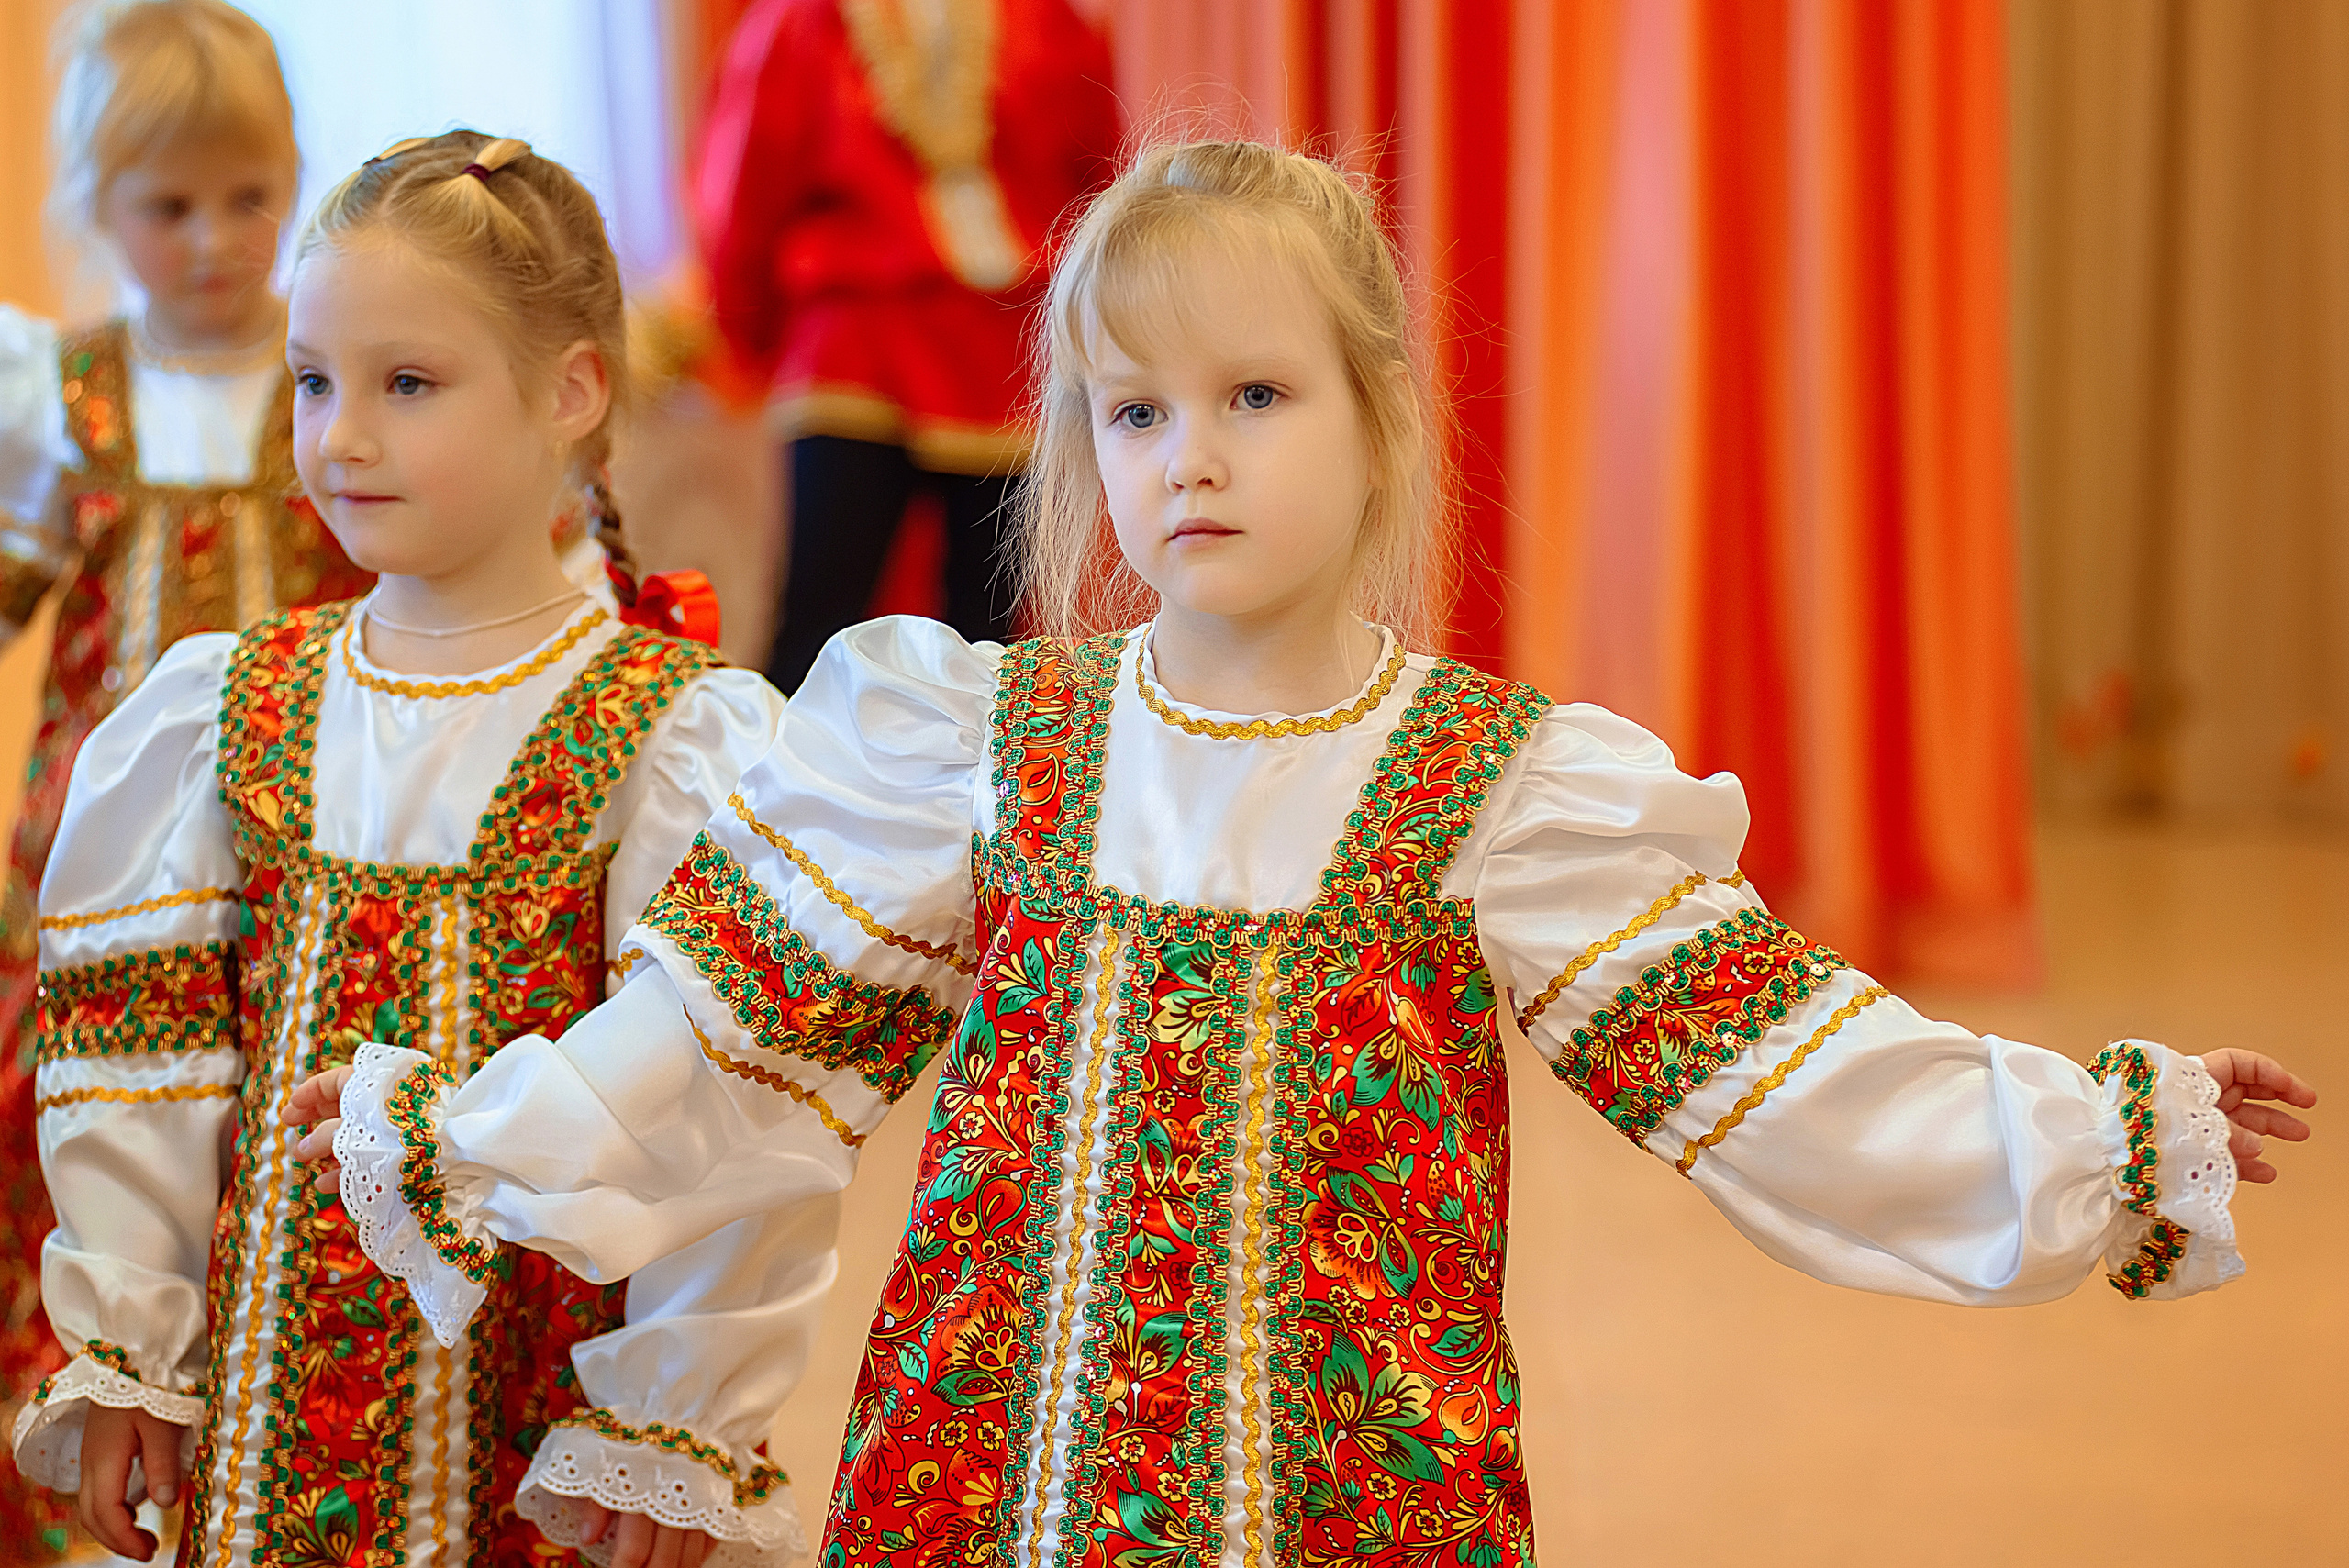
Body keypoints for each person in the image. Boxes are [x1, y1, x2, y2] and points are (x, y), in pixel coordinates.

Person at [295, 140, 2316, 1566]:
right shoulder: (977, 743)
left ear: (1374, 415)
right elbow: (722, 1018)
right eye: (1131, 406)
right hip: (1001, 1484)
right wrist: (471, 1129)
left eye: (1251, 394)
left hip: (1359, 1493)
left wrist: (2092, 1124)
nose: (1186, 454)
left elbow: (1774, 1068)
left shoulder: (1493, 784)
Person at [16, 131, 798, 1568]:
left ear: (568, 392)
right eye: (313, 380)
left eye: (408, 385)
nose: (342, 437)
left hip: (528, 1413)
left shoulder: (672, 729)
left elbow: (715, 1100)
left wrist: (671, 1414)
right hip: (268, 1407)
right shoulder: (225, 700)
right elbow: (151, 1057)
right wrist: (132, 1338)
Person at [0, 5, 374, 1553]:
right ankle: (81, 1426)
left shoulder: (338, 375)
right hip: (92, 866)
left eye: (253, 196)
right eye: (170, 205)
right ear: (98, 203)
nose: (219, 240)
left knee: (271, 1126)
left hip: (301, 847)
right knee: (75, 1112)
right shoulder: (63, 397)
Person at [696, 0, 1119, 690]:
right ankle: (777, 795)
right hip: (862, 343)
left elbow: (1096, 177)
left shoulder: (1049, 20)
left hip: (1000, 348)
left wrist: (747, 329)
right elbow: (752, 177)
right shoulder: (804, 21)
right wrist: (745, 325)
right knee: (826, 618)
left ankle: (985, 795)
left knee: (984, 642)